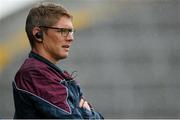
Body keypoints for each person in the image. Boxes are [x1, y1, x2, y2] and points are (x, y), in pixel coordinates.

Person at [12, 2, 103, 119]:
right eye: (63, 31)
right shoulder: (34, 73)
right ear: (38, 34)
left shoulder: (54, 75)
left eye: (71, 31)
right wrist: (87, 112)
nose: (71, 38)